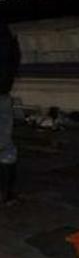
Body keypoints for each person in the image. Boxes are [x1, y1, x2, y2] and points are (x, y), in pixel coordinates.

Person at [0, 20, 20, 204]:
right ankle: (6, 193)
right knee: (5, 146)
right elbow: (14, 59)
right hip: (3, 93)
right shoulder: (8, 35)